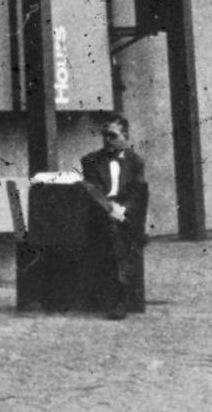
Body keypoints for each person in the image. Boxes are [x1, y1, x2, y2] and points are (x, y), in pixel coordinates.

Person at [79, 113, 149, 319]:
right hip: (101, 213)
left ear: (125, 137)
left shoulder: (136, 162)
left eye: (113, 135)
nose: (107, 140)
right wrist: (111, 209)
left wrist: (123, 210)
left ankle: (119, 297)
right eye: (105, 135)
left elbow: (137, 192)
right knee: (115, 231)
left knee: (118, 231)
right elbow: (94, 191)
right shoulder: (90, 160)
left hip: (124, 214)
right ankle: (120, 298)